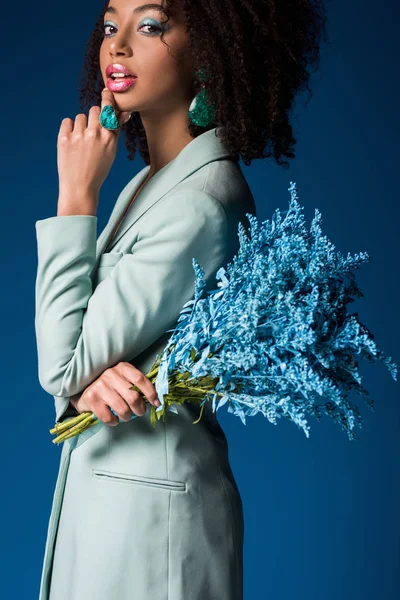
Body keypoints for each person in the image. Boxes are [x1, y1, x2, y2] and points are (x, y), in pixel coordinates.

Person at [34, 1, 328, 598]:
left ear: (209, 53)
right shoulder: (153, 183)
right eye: (111, 25)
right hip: (125, 505)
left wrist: (75, 196)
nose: (116, 47)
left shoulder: (199, 205)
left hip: (152, 530)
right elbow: (88, 365)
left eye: (150, 25)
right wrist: (92, 381)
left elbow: (61, 365)